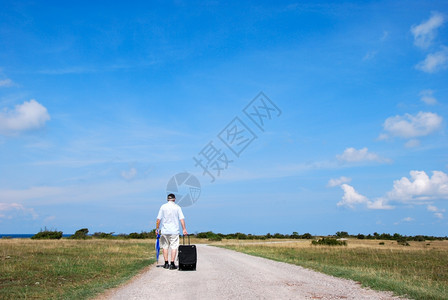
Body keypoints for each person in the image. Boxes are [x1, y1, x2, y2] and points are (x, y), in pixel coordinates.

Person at [156, 193, 188, 270]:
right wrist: (184, 229)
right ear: (174, 199)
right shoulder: (177, 207)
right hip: (174, 231)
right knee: (174, 247)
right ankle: (172, 263)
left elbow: (158, 219)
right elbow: (181, 219)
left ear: (167, 199)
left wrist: (157, 229)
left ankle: (166, 263)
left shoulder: (163, 207)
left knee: (165, 247)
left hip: (164, 230)